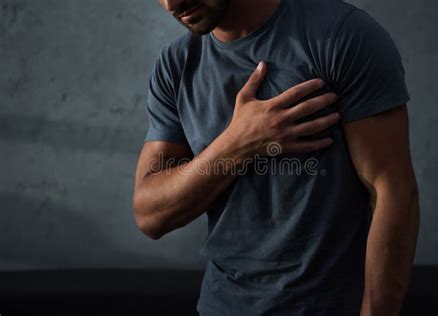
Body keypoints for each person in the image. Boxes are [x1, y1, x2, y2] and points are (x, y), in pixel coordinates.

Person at [132, 0, 420, 315]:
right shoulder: (176, 66)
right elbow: (150, 213)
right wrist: (236, 144)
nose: (172, 3)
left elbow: (392, 189)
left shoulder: (343, 36)